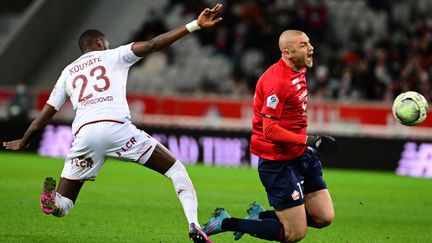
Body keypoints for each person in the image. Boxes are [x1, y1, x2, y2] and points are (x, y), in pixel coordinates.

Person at [2, 3, 223, 243]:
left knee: (63, 205)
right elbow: (152, 45)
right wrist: (194, 25)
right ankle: (193, 225)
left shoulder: (68, 72)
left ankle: (49, 199)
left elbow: (46, 114)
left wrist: (24, 140)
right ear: (99, 43)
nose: (107, 45)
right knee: (176, 170)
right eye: (105, 43)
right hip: (116, 129)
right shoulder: (113, 54)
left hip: (84, 135)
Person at [202, 30, 340, 242]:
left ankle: (261, 216)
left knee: (324, 217)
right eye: (303, 45)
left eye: (309, 42)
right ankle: (225, 222)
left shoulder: (298, 68)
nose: (311, 48)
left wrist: (304, 144)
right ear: (287, 53)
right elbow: (270, 130)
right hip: (278, 162)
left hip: (300, 154)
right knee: (294, 233)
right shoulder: (278, 82)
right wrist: (309, 140)